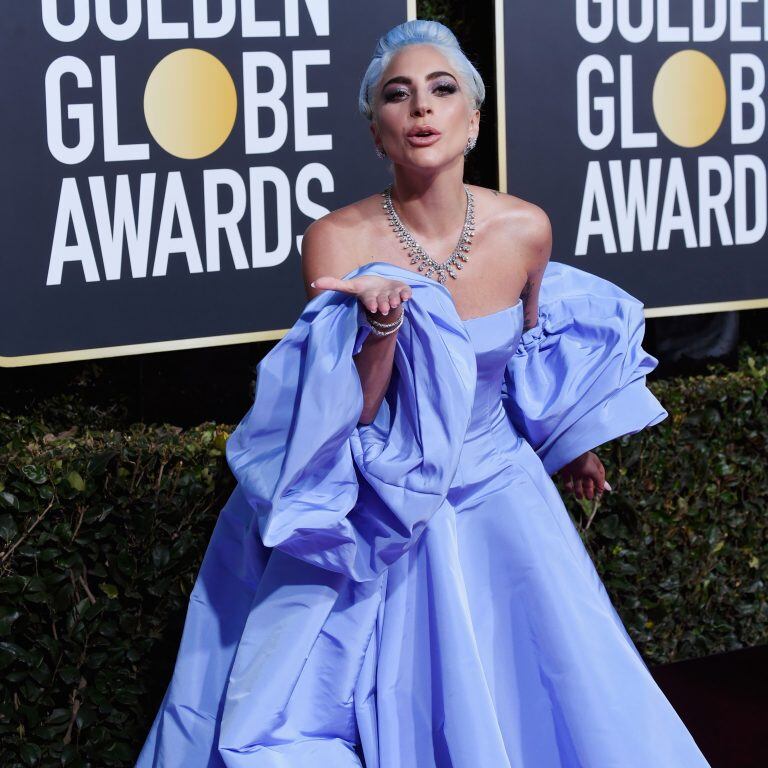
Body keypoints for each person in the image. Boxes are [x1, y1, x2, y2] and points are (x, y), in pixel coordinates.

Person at [136, 20, 712, 768]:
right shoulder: (336, 240)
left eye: (442, 91)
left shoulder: (525, 229)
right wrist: (379, 330)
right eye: (396, 96)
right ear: (376, 132)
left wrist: (574, 445)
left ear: (472, 119)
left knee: (549, 688)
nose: (421, 109)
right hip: (387, 503)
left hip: (501, 491)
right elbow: (354, 413)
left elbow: (521, 358)